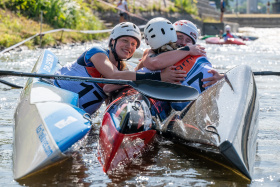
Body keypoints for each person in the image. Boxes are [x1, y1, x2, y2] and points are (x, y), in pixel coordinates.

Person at [54, 22, 187, 115]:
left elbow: (111, 100)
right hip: (55, 94)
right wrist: (159, 77)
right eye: (124, 40)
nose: (129, 46)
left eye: (134, 44)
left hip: (76, 115)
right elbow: (113, 75)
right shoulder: (96, 52)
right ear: (113, 41)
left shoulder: (124, 72)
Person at [135, 18, 224, 111]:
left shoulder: (198, 53)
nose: (183, 43)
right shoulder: (156, 52)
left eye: (188, 40)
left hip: (198, 107)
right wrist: (162, 76)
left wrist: (221, 78)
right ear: (170, 36)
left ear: (193, 44)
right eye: (179, 37)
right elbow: (150, 64)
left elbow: (211, 73)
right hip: (164, 100)